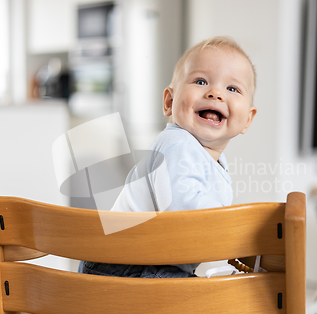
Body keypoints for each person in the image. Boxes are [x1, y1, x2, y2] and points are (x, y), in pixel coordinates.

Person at [80, 36, 257, 278]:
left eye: (232, 88)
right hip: (122, 265)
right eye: (201, 81)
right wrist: (237, 233)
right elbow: (186, 218)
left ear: (247, 119)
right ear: (169, 102)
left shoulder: (212, 162)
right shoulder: (177, 144)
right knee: (213, 300)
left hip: (138, 261)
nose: (215, 93)